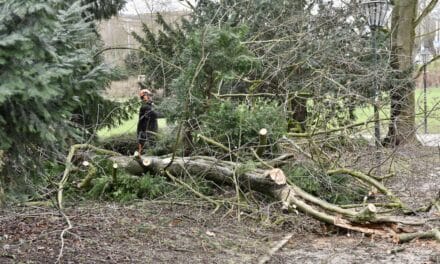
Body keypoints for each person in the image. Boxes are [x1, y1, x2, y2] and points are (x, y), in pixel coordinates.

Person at [136, 89, 160, 156]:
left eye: (150, 95)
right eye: (148, 95)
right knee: (151, 145)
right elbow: (157, 114)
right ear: (144, 97)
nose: (150, 97)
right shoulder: (145, 107)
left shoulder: (149, 105)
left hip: (150, 128)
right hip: (146, 129)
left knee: (152, 144)